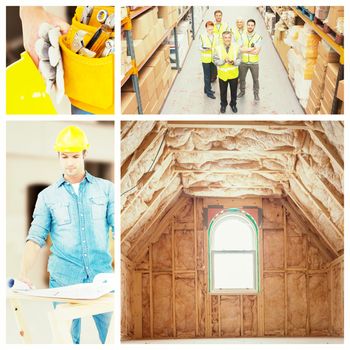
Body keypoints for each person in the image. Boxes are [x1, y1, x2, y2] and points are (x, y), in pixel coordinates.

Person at [19, 126, 114, 344]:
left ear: (85, 154)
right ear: (58, 156)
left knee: (110, 338)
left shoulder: (106, 190)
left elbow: (118, 231)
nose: (69, 162)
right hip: (64, 280)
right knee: (68, 341)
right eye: (64, 156)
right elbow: (35, 238)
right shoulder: (47, 197)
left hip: (101, 278)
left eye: (74, 156)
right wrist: (24, 272)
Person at [213, 31, 241, 114]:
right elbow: (215, 60)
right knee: (223, 91)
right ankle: (223, 105)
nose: (227, 39)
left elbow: (239, 59)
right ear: (222, 38)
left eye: (229, 37)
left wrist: (234, 62)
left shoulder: (236, 47)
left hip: (233, 74)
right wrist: (223, 61)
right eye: (225, 37)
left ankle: (233, 104)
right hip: (223, 75)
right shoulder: (217, 48)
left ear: (231, 38)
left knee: (234, 91)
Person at [238, 19, 262, 101]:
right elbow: (239, 49)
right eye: (249, 25)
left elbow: (256, 52)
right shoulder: (242, 36)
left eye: (252, 25)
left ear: (254, 26)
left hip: (254, 63)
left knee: (255, 79)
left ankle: (256, 94)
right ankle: (242, 91)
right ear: (246, 25)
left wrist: (245, 49)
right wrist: (250, 49)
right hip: (243, 61)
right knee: (242, 78)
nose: (250, 26)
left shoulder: (258, 37)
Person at [199, 21, 218, 99]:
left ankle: (206, 89)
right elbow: (199, 47)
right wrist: (204, 49)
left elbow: (217, 46)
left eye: (211, 28)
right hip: (205, 59)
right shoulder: (202, 36)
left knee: (211, 75)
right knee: (207, 76)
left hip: (213, 59)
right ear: (206, 28)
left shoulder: (216, 36)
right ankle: (209, 92)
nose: (210, 30)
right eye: (209, 28)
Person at [211, 10, 229, 82]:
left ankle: (225, 74)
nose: (218, 17)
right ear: (214, 16)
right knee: (214, 60)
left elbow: (228, 34)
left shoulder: (225, 24)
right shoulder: (212, 25)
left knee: (224, 60)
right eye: (217, 15)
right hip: (215, 46)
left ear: (222, 16)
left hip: (223, 46)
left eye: (219, 15)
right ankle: (214, 75)